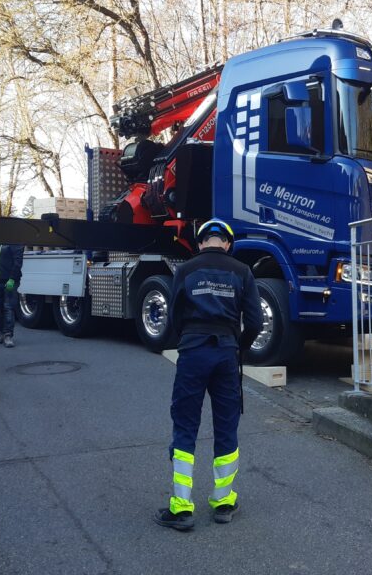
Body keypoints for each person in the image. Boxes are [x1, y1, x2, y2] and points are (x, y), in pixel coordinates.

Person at [154, 219, 261, 531]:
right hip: (227, 353)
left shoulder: (186, 270)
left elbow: (173, 316)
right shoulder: (243, 271)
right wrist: (237, 347)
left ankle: (182, 508)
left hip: (193, 353)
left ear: (200, 243)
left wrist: (187, 339)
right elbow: (254, 321)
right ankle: (223, 502)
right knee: (226, 426)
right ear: (227, 243)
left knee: (186, 425)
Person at [0, 243, 24, 348]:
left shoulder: (15, 243)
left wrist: (12, 278)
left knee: (8, 308)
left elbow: (18, 262)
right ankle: (0, 331)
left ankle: (8, 335)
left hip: (10, 281)